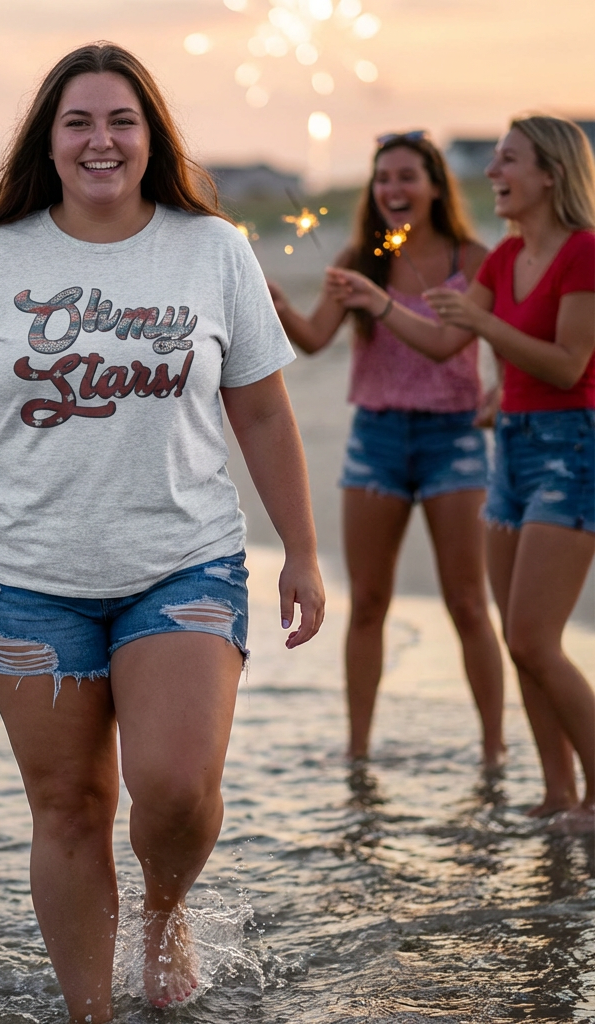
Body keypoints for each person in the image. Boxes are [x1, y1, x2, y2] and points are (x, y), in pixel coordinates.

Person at [0, 43, 324, 1020]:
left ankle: (164, 911)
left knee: (174, 789)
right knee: (69, 807)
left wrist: (305, 551)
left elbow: (267, 414)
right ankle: (89, 1011)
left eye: (121, 120)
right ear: (50, 139)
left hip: (182, 560)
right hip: (24, 577)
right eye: (78, 122)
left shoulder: (213, 249)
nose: (100, 140)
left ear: (150, 137)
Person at [330, 115, 595, 832]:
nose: (491, 172)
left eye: (506, 160)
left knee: (530, 636)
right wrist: (386, 305)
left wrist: (486, 334)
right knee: (520, 638)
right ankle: (558, 795)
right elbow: (447, 340)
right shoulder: (506, 261)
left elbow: (570, 365)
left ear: (549, 174)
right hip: (509, 445)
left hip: (569, 450)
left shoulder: (583, 253)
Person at [268, 132, 506, 769]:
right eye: (382, 179)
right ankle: (358, 754)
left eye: (407, 177)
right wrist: (283, 305)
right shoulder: (363, 255)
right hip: (374, 437)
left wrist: (501, 383)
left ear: (435, 186)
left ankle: (493, 751)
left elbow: (456, 342)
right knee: (367, 602)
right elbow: (317, 339)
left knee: (466, 604)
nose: (393, 190)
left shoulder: (474, 257)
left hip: (452, 439)